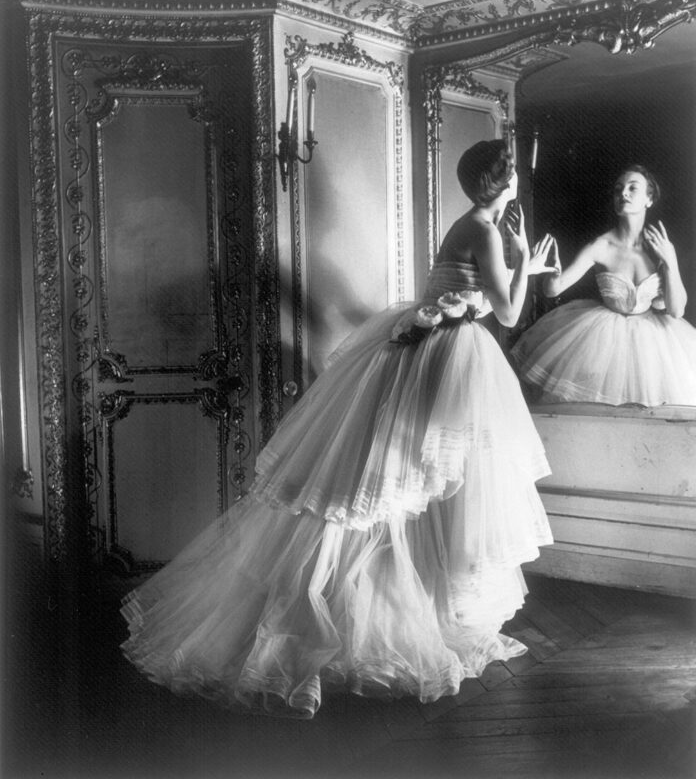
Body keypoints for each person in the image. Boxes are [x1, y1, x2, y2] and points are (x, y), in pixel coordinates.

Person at [120, 140, 555, 719]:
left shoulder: (471, 223)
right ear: (506, 184)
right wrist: (525, 259)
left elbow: (470, 300)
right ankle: (371, 619)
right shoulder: (487, 230)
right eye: (514, 177)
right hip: (445, 359)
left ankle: (413, 608)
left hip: (432, 354)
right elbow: (505, 312)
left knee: (405, 489)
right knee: (401, 490)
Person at [512, 165, 696, 406]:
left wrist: (670, 260)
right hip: (604, 342)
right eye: (618, 190)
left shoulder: (659, 247)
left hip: (654, 345)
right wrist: (551, 270)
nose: (623, 194)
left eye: (633, 188)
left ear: (649, 199)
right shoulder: (600, 246)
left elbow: (676, 310)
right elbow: (553, 290)